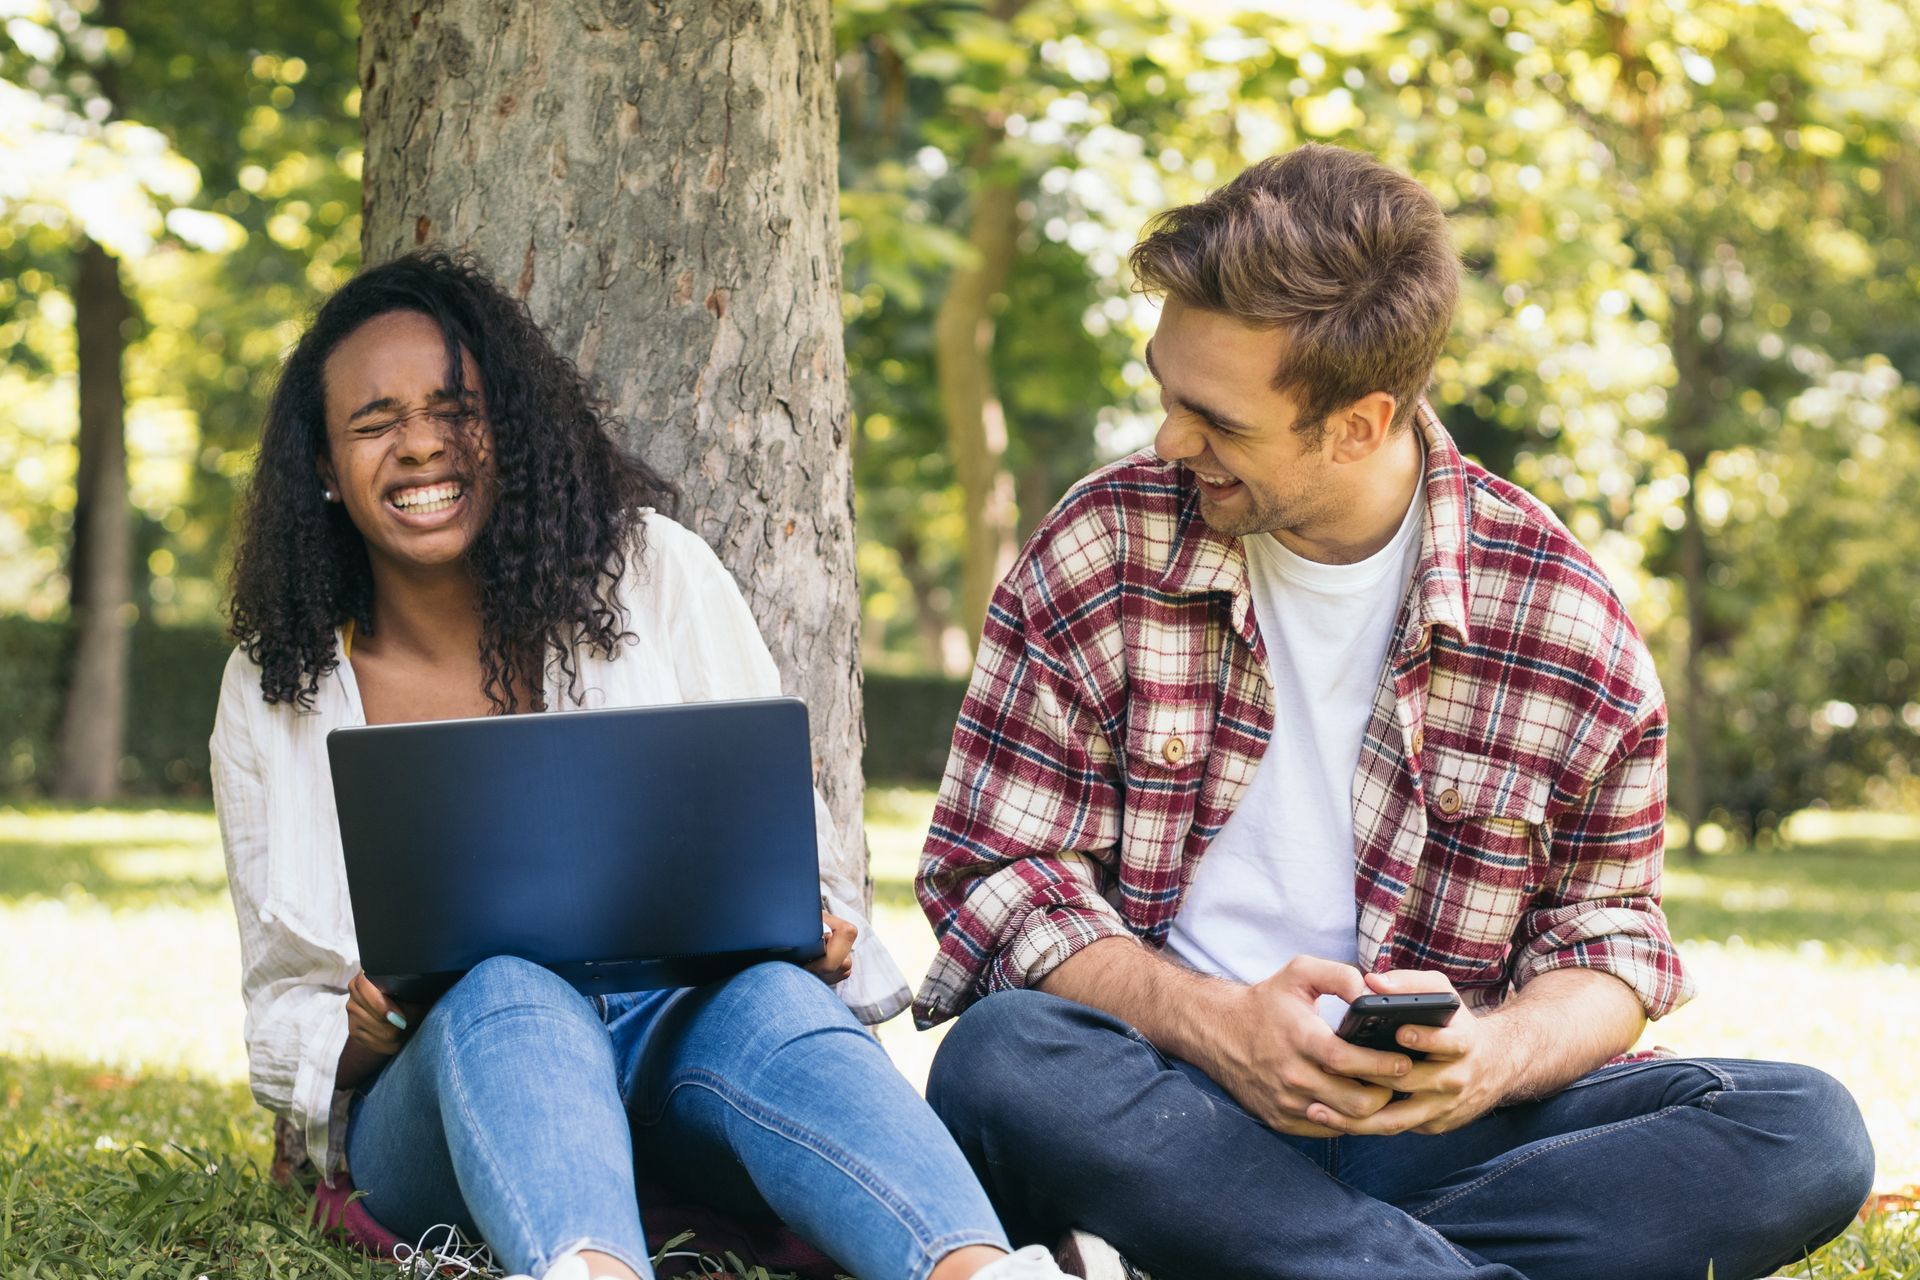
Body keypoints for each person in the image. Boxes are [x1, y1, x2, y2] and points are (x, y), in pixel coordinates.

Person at [913, 146, 1875, 1280]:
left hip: (1424, 1142)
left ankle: (1255, 1260)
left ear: (1362, 422)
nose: (1170, 439)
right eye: (1165, 389)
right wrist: (1219, 1024)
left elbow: (1608, 939)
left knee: (1800, 1127)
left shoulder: (1564, 614)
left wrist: (1493, 1055)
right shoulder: (1101, 543)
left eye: (1214, 418)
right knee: (1003, 1056)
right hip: (1162, 1104)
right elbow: (996, 871)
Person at [211, 252, 1072, 1280]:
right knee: (508, 990)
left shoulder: (654, 574)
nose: (424, 444)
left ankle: (982, 1269)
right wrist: (365, 1026)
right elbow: (279, 1010)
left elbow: (801, 864)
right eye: (374, 421)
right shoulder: (278, 688)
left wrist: (816, 934)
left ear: (509, 428)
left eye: (457, 407)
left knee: (779, 1003)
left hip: (689, 1057)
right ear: (323, 462)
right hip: (447, 1101)